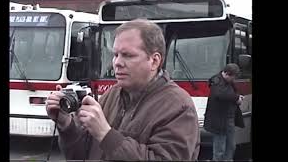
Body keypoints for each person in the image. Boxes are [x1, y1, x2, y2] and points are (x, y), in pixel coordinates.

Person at [45, 19, 200, 160]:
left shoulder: (178, 106)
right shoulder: (111, 95)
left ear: (154, 61)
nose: (117, 63)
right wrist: (66, 125)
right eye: (115, 55)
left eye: (127, 55)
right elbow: (80, 155)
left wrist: (106, 135)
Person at [203, 63, 245, 161]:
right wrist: (236, 98)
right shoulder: (216, 81)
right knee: (219, 149)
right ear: (226, 74)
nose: (234, 80)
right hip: (219, 121)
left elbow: (231, 92)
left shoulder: (228, 81)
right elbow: (220, 94)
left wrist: (238, 97)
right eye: (233, 77)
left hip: (229, 119)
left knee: (231, 146)